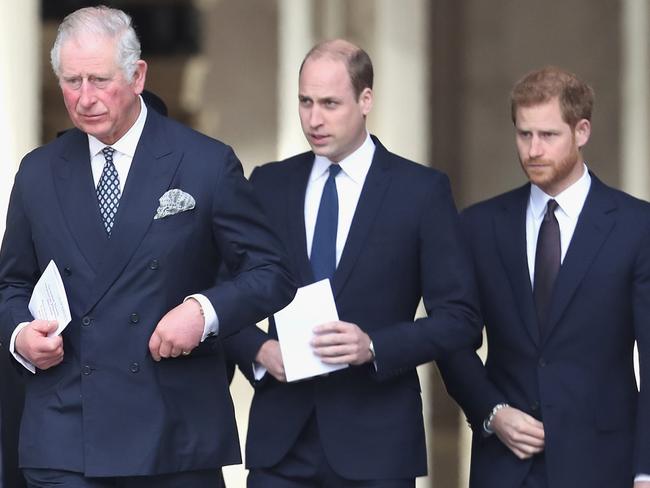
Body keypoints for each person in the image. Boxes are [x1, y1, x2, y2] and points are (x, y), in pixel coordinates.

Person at [0, 6, 295, 487]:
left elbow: (272, 273)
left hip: (172, 435)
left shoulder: (206, 163)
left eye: (99, 80)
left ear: (137, 76)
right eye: (71, 81)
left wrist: (204, 311)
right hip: (66, 433)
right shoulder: (38, 172)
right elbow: (12, 282)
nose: (85, 97)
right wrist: (20, 336)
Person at [224, 39, 481, 487]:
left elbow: (460, 320)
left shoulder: (421, 192)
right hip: (280, 444)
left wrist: (375, 346)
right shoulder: (268, 184)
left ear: (365, 101)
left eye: (329, 103)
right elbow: (221, 289)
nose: (313, 119)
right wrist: (259, 351)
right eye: (305, 102)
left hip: (377, 444)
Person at [437, 66, 650, 487]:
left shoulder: (637, 226)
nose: (533, 149)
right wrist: (492, 412)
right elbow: (451, 339)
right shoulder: (479, 226)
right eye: (524, 134)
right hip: (504, 464)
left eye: (548, 135)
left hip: (604, 465)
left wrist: (646, 470)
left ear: (582, 131)